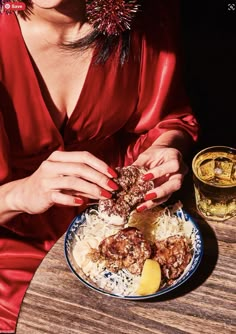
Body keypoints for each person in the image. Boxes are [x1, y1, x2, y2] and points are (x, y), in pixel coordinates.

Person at [0, 0, 198, 332]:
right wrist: (19, 195)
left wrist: (167, 147)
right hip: (14, 250)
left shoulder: (146, 15)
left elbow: (168, 120)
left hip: (127, 228)